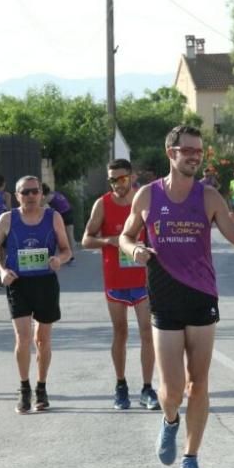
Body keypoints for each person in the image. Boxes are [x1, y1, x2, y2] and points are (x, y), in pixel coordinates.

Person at [119, 125, 234, 468]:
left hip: (201, 297)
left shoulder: (209, 198)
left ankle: (191, 459)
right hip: (163, 296)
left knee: (199, 382)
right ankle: (169, 420)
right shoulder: (147, 196)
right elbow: (126, 234)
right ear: (171, 152)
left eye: (199, 151)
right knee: (173, 388)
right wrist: (134, 249)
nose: (195, 156)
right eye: (187, 150)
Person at [0, 175, 72, 414]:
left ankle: (41, 387)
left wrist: (59, 260)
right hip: (18, 283)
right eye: (26, 192)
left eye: (35, 191)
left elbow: (66, 250)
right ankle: (24, 388)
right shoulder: (7, 219)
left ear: (42, 194)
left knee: (42, 339)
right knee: (22, 338)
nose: (31, 196)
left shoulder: (53, 217)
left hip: (45, 282)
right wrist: (1, 270)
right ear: (17, 196)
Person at [82, 158, 159, 411]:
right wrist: (111, 241)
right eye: (112, 180)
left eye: (122, 179)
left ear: (132, 177)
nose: (117, 184)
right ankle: (121, 385)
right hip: (115, 279)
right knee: (121, 332)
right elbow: (86, 240)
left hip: (143, 279)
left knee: (148, 332)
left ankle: (147, 389)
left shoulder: (145, 201)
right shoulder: (102, 204)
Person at [42, 183, 76, 264]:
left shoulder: (48, 197)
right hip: (68, 212)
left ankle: (70, 256)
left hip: (64, 214)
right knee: (69, 235)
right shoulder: (54, 193)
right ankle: (70, 256)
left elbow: (40, 205)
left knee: (68, 236)